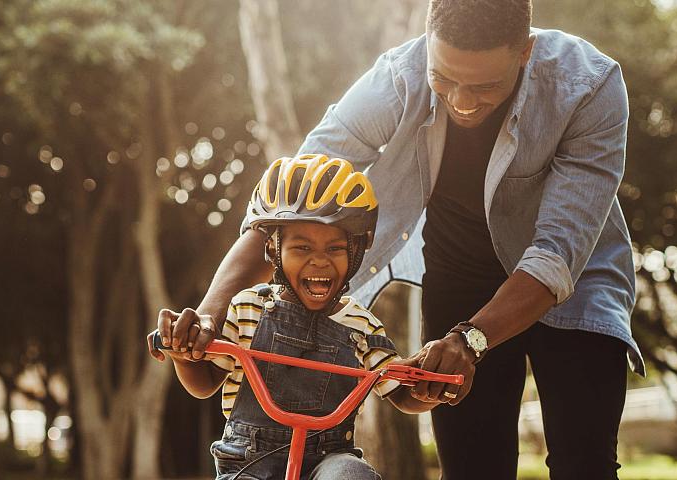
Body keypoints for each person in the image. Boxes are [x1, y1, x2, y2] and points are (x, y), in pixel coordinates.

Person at [173, 0, 646, 478]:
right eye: (445, 79)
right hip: (461, 275)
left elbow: (555, 256)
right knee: (471, 466)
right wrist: (212, 312)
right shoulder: (398, 79)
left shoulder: (590, 86)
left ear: (524, 52)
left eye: (484, 86)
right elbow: (295, 201)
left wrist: (472, 338)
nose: (462, 102)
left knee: (583, 460)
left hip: (576, 280)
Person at [150, 155, 438, 480]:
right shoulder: (247, 309)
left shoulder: (360, 324)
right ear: (273, 250)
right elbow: (204, 384)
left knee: (352, 475)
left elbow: (399, 390)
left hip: (328, 460)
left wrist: (425, 385)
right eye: (301, 248)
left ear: (357, 250)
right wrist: (184, 356)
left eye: (335, 249)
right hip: (248, 463)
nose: (319, 261)